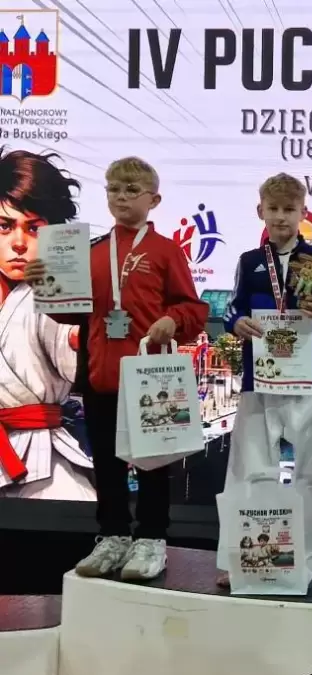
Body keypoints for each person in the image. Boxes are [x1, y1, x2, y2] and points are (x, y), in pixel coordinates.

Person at [25, 156, 208, 580]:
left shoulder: (166, 251)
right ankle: (112, 536)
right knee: (106, 465)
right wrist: (44, 286)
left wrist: (173, 319)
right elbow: (74, 314)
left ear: (153, 200)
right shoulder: (90, 252)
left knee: (152, 465)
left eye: (131, 190)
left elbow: (193, 310)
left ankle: (152, 539)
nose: (121, 197)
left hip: (148, 379)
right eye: (113, 189)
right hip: (100, 375)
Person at [216, 172, 312, 590]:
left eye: (288, 209)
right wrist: (237, 324)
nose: (280, 217)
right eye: (273, 209)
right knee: (250, 470)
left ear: (303, 213)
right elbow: (232, 309)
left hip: (309, 379)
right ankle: (241, 558)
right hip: (261, 380)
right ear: (260, 211)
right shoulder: (248, 262)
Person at [0, 147, 94, 500]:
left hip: (39, 455)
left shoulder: (56, 288)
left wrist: (81, 337)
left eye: (34, 229)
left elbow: (71, 350)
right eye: (4, 226)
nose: (19, 243)